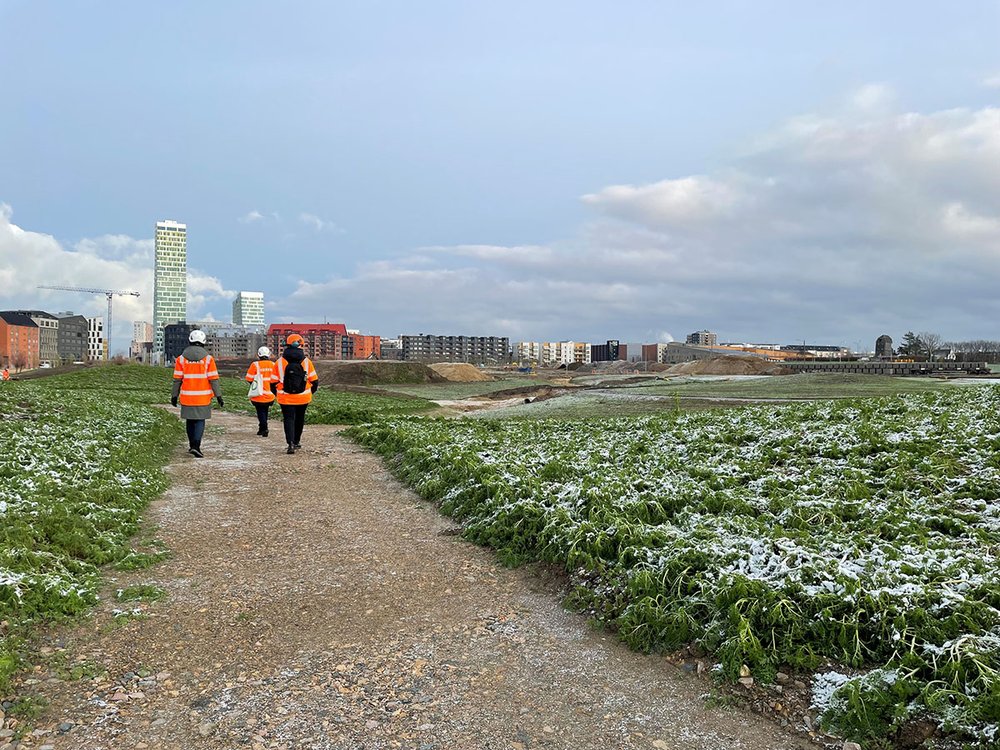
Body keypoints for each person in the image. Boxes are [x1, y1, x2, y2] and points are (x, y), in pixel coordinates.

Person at [171, 330, 223, 458]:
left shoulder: (181, 359)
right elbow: (213, 379)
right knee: (200, 421)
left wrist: (174, 395)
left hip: (187, 396)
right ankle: (196, 446)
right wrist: (219, 396)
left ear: (190, 341)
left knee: (190, 421)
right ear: (204, 342)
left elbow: (177, 379)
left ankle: (191, 445)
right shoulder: (208, 359)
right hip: (203, 397)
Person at [272, 333, 318, 455]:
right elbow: (315, 381)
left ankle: (290, 443)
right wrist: (309, 392)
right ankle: (297, 441)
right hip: (303, 397)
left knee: (288, 419)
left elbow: (273, 382)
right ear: (301, 345)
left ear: (286, 345)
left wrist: (277, 394)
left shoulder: (279, 362)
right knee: (299, 418)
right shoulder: (307, 362)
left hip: (285, 397)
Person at [245, 346, 277, 436]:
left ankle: (264, 428)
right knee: (265, 411)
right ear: (269, 355)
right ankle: (261, 428)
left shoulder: (255, 365)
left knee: (260, 412)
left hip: (258, 394)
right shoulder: (273, 365)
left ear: (258, 355)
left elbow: (249, 378)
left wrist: (254, 385)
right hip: (270, 394)